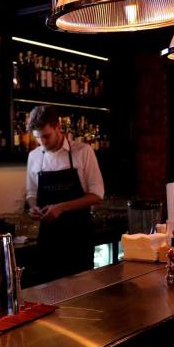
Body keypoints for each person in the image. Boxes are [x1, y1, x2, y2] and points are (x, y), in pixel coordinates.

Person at [25, 105, 104, 283]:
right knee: (48, 294)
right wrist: (33, 208)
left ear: (58, 127)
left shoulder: (83, 152)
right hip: (48, 240)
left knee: (80, 295)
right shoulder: (34, 156)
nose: (42, 142)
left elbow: (97, 195)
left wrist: (61, 207)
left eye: (46, 136)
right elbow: (31, 193)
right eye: (38, 138)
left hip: (78, 237)